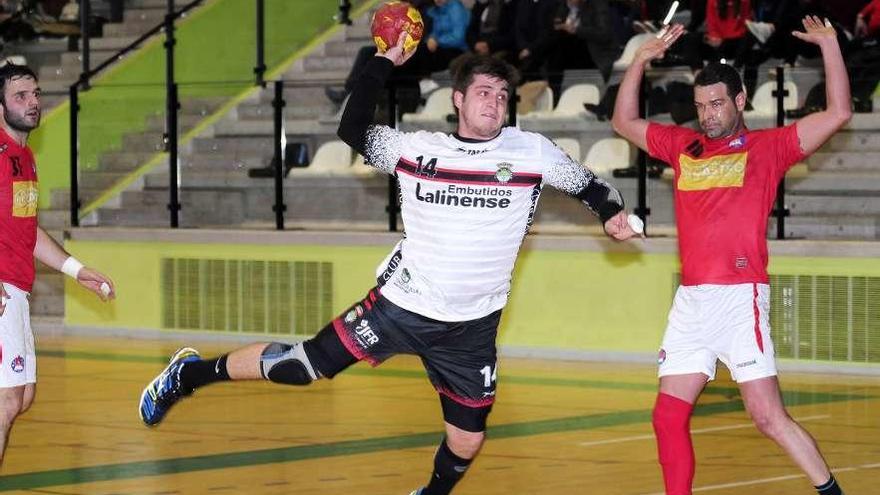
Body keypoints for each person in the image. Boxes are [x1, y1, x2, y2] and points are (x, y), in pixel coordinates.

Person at [138, 33, 640, 495]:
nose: (496, 102)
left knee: (466, 443)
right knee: (301, 367)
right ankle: (187, 376)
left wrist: (613, 215)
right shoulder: (417, 149)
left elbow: (594, 186)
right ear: (458, 100)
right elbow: (351, 128)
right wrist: (381, 62)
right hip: (399, 307)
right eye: (484, 92)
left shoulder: (532, 152)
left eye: (503, 96)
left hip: (472, 327)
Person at [611, 16, 850, 495]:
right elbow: (622, 122)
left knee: (767, 418)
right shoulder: (684, 147)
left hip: (740, 300)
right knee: (666, 416)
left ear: (740, 101)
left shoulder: (769, 148)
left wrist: (829, 46)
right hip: (692, 302)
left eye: (717, 104)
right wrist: (639, 60)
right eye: (701, 106)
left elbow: (839, 113)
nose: (709, 114)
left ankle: (831, 490)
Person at [0, 62, 115, 465]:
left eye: (35, 94)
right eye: (20, 96)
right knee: (8, 400)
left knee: (23, 396)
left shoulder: (25, 157)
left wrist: (75, 269)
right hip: (2, 290)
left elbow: (27, 232)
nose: (32, 103)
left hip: (17, 289)